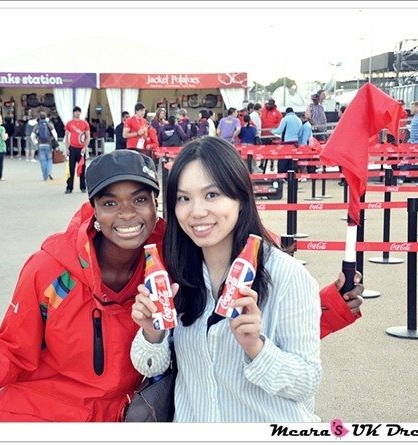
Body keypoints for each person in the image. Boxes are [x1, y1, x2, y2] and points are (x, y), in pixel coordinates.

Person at [0, 150, 165, 421]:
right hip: (40, 412)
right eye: (109, 203)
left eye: (140, 199)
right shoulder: (51, 270)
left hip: (117, 415)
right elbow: (14, 350)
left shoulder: (168, 265)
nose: (127, 213)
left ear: (155, 204)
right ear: (94, 210)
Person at [130, 137, 323, 422]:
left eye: (212, 195)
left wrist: (255, 347)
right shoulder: (175, 273)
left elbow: (307, 381)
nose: (196, 212)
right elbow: (151, 366)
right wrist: (152, 332)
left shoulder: (286, 275)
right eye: (184, 198)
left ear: (241, 198)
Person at [64, 106, 90, 193]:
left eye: (79, 112)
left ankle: (83, 186)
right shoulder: (69, 123)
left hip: (81, 149)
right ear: (73, 113)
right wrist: (67, 148)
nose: (77, 113)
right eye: (76, 112)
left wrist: (85, 147)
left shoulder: (84, 123)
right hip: (72, 148)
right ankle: (69, 187)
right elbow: (67, 136)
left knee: (82, 168)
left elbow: (88, 136)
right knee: (71, 168)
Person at [271, 107, 302, 174]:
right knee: (292, 160)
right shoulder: (298, 120)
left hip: (286, 142)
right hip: (295, 143)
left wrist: (272, 131)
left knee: (283, 160)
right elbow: (300, 132)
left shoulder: (285, 119)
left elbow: (279, 130)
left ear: (286, 112)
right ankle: (292, 176)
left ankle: (282, 175)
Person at [30, 111, 58, 181]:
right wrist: (55, 141)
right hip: (48, 144)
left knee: (43, 160)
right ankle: (49, 172)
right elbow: (55, 134)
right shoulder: (49, 124)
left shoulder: (37, 125)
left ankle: (45, 175)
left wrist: (36, 143)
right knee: (49, 159)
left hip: (40, 145)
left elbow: (32, 136)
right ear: (46, 117)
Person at [260, 99, 283, 172]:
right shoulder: (263, 110)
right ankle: (261, 164)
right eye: (268, 104)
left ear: (273, 104)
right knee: (263, 150)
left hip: (272, 135)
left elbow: (280, 122)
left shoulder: (277, 113)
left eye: (271, 104)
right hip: (263, 134)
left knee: (271, 150)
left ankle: (272, 164)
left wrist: (275, 128)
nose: (269, 105)